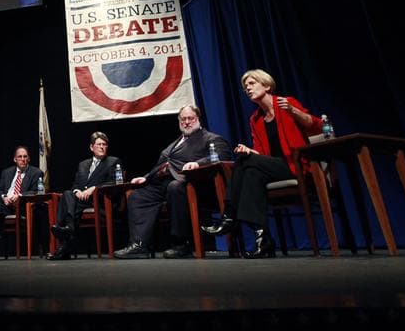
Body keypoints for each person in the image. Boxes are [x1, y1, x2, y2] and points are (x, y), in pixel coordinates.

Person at [202, 69, 323, 258]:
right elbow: (261, 153)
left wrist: (293, 111)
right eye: (245, 87)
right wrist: (250, 151)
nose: (248, 89)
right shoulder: (256, 119)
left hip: (295, 165)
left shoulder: (286, 104)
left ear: (266, 85)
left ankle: (229, 215)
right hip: (273, 167)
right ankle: (262, 239)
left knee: (245, 163)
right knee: (251, 173)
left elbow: (316, 126)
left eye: (252, 83)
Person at [114, 104, 232, 259]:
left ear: (198, 119)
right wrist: (146, 177)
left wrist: (198, 163)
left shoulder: (211, 138)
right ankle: (139, 245)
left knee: (174, 187)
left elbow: (221, 155)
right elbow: (162, 165)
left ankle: (181, 244)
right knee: (138, 196)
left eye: (190, 118)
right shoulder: (176, 143)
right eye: (183, 119)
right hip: (163, 183)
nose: (187, 122)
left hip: (194, 185)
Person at [48, 131, 120, 260]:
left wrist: (94, 188)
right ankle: (69, 230)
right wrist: (78, 191)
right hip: (81, 201)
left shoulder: (112, 162)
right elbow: (75, 185)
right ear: (92, 147)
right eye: (99, 144)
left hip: (100, 201)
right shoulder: (83, 164)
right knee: (68, 193)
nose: (102, 147)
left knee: (68, 201)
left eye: (104, 144)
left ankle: (65, 238)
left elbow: (115, 183)